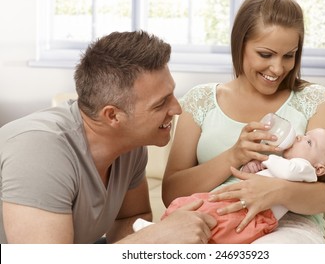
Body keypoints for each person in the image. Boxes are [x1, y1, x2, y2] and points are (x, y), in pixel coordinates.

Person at [162, 0, 325, 244]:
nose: (278, 68)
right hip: (210, 220)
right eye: (266, 54)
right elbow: (171, 193)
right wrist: (234, 155)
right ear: (241, 44)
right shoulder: (201, 101)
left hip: (287, 226)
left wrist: (277, 191)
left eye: (289, 55)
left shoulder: (313, 100)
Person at [0, 30, 216, 244]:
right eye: (161, 103)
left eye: (172, 96)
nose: (177, 110)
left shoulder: (130, 146)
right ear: (112, 115)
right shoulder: (38, 152)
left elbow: (130, 218)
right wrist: (154, 238)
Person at [161, 128, 325, 243]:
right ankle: (159, 232)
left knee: (219, 229)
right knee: (194, 206)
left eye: (309, 142)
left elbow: (288, 171)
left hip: (256, 215)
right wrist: (251, 167)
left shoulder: (306, 170)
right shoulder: (285, 164)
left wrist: (268, 159)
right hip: (237, 203)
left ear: (320, 169)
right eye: (305, 135)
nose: (300, 137)